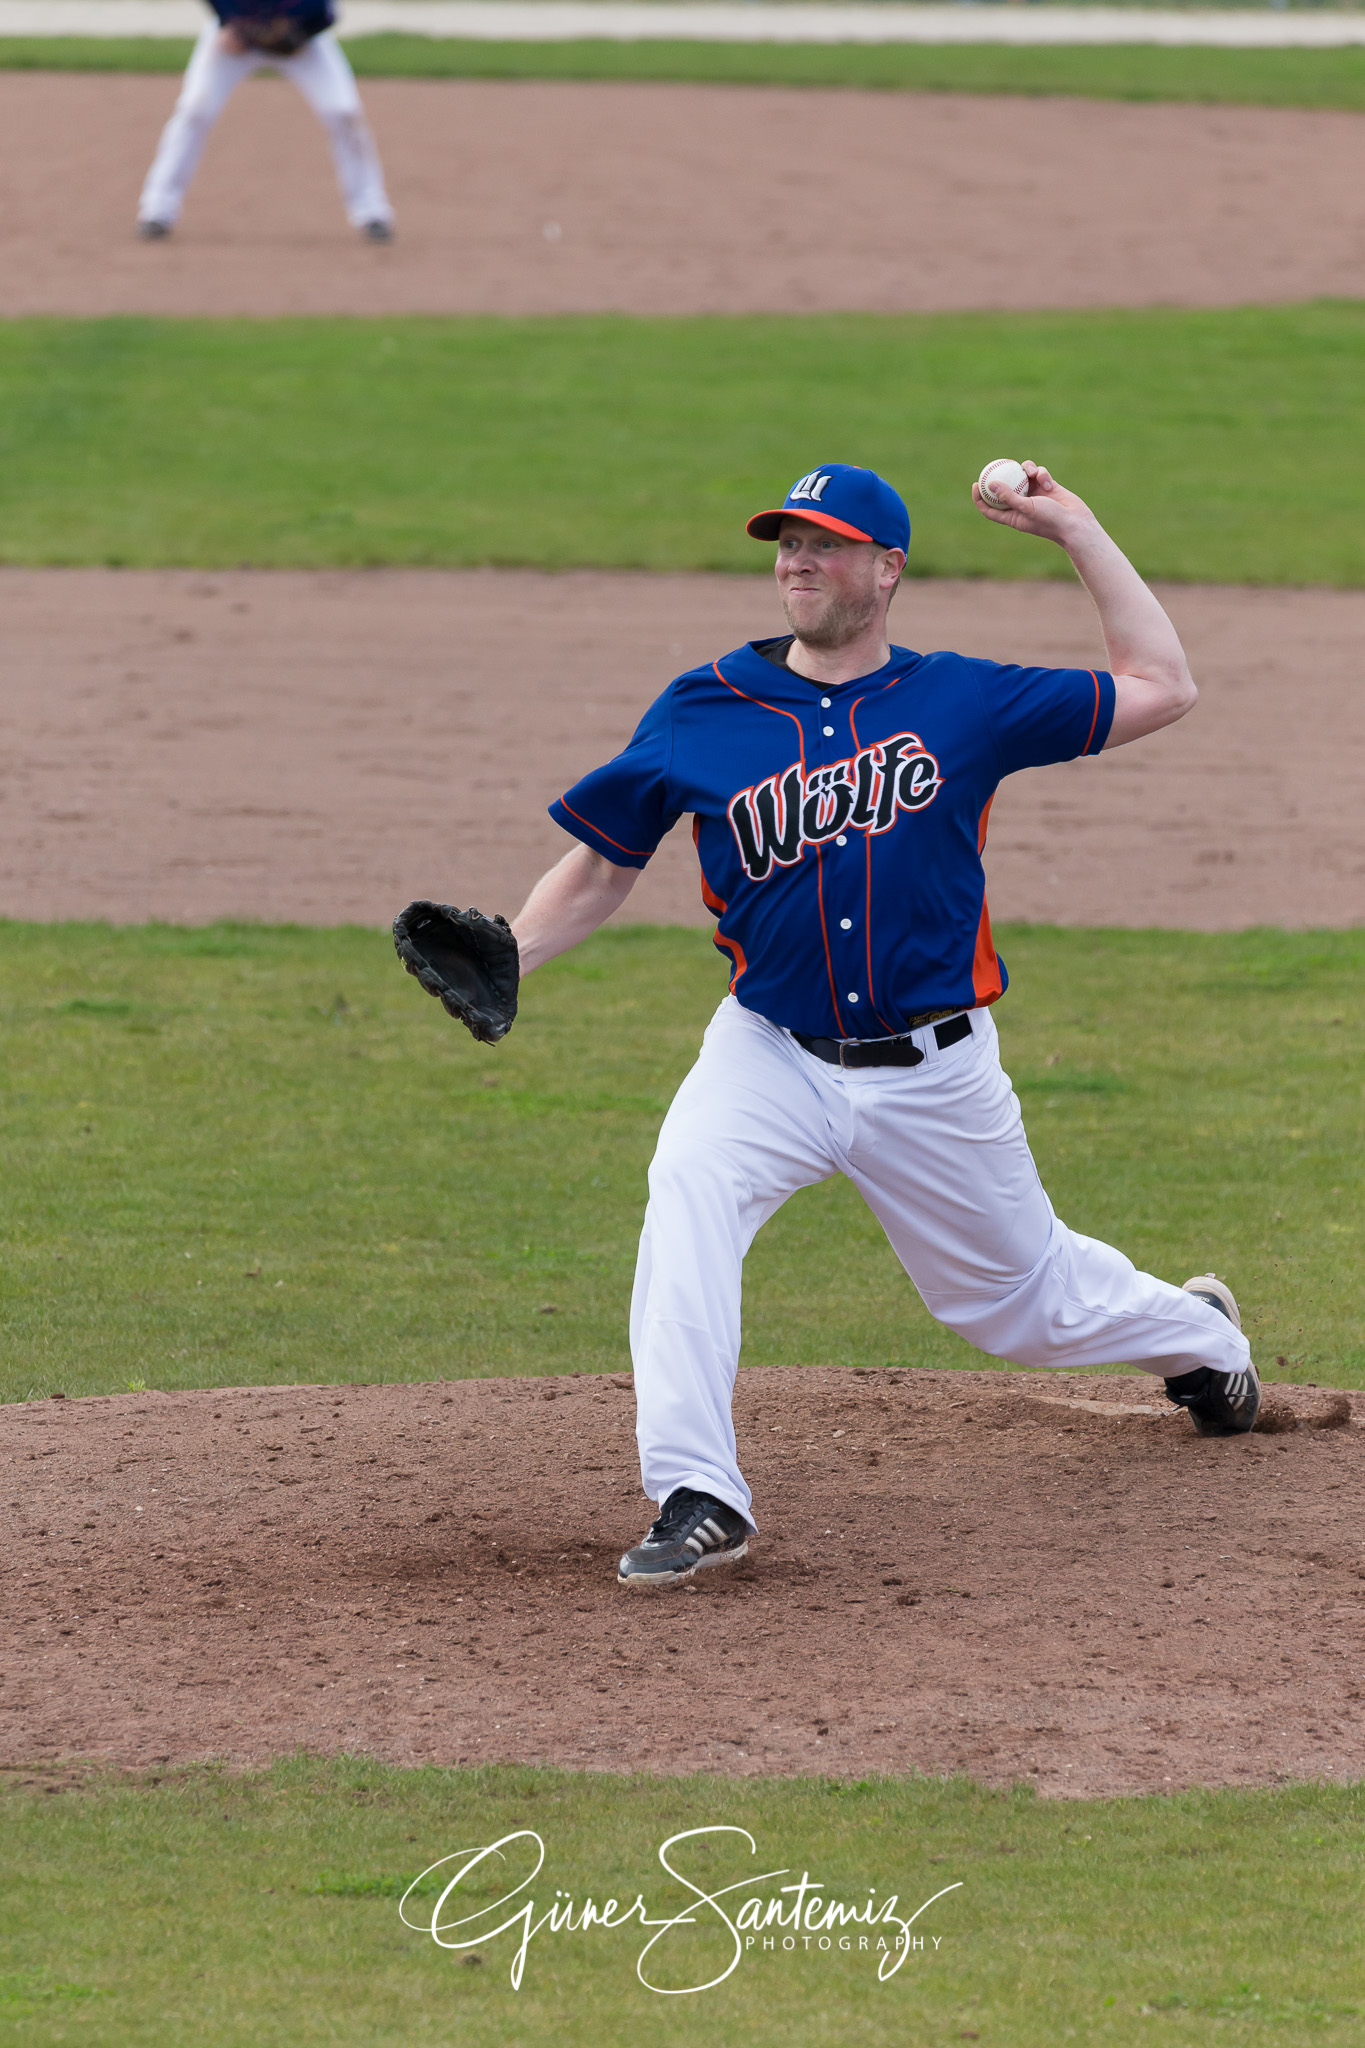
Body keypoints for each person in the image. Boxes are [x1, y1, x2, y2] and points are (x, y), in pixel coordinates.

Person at [509, 461, 1260, 1591]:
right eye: (786, 542)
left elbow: (1163, 683)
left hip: (935, 1072)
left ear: (888, 566)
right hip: (767, 1051)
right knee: (688, 1193)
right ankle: (698, 1489)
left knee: (1023, 1306)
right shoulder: (701, 707)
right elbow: (603, 865)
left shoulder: (963, 699)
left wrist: (1074, 525)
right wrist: (510, 955)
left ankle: (1205, 1339)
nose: (798, 560)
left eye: (826, 542)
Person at [136, 0, 394, 242]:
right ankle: (158, 209)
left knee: (343, 111)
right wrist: (227, 24)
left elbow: (324, 11)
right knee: (194, 109)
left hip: (301, 43)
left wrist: (302, 34)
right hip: (237, 40)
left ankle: (371, 210)